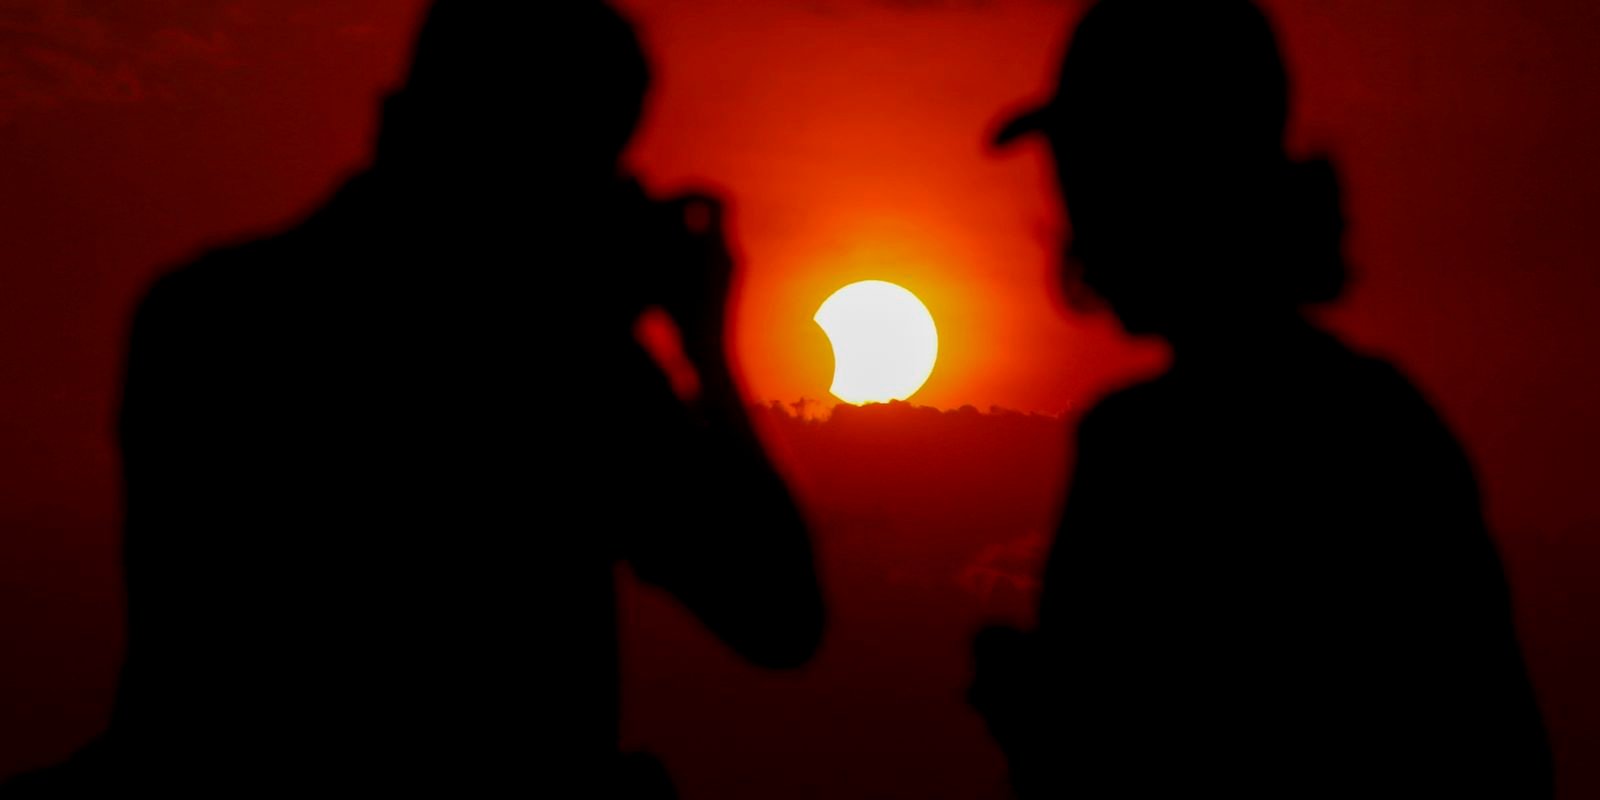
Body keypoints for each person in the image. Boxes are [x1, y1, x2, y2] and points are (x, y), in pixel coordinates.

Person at [4, 2, 821, 796]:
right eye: (596, 164)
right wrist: (704, 349)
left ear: (395, 115)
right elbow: (778, 616)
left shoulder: (200, 313)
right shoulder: (565, 369)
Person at [969, 1, 1552, 796]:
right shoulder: (1385, 428)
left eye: (1094, 168)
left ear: (1166, 182)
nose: (1072, 204)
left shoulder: (1138, 451)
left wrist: (1051, 728)